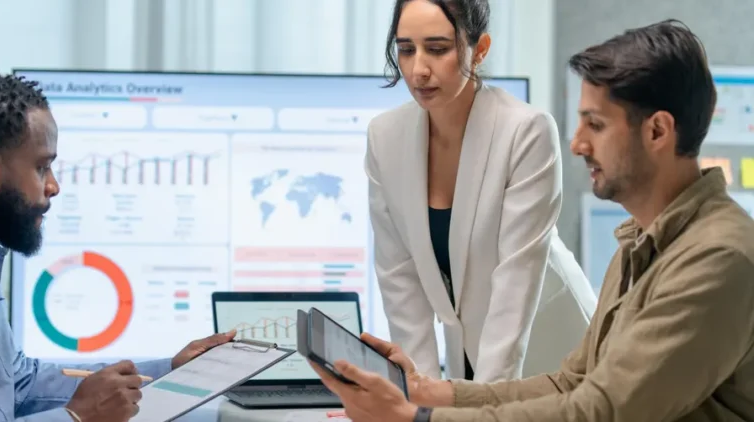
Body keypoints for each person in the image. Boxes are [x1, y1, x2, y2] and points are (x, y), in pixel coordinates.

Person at [310, 19, 754, 422]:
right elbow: (569, 383)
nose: (577, 144)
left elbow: (602, 411)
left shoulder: (717, 258)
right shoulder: (642, 241)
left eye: (595, 125)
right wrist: (425, 391)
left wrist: (415, 419)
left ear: (657, 131)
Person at [0, 72, 237, 422]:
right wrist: (76, 417)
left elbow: (16, 384)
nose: (53, 186)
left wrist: (173, 371)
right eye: (42, 167)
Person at [367, 0, 591, 382]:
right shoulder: (385, 137)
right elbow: (400, 280)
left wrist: (482, 405)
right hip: (466, 352)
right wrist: (421, 398)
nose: (419, 69)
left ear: (480, 49)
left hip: (551, 348)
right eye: (406, 50)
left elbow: (515, 286)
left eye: (437, 49)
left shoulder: (526, 131)